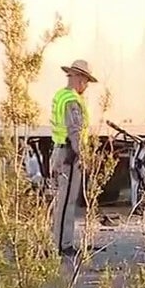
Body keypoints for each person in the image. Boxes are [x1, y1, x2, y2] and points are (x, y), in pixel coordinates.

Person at [50, 59, 98, 256]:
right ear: (78, 78)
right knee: (67, 201)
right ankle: (63, 244)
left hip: (60, 151)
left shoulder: (61, 96)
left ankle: (60, 242)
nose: (86, 86)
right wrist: (83, 155)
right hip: (70, 154)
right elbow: (75, 130)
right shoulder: (72, 100)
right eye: (85, 81)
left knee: (62, 200)